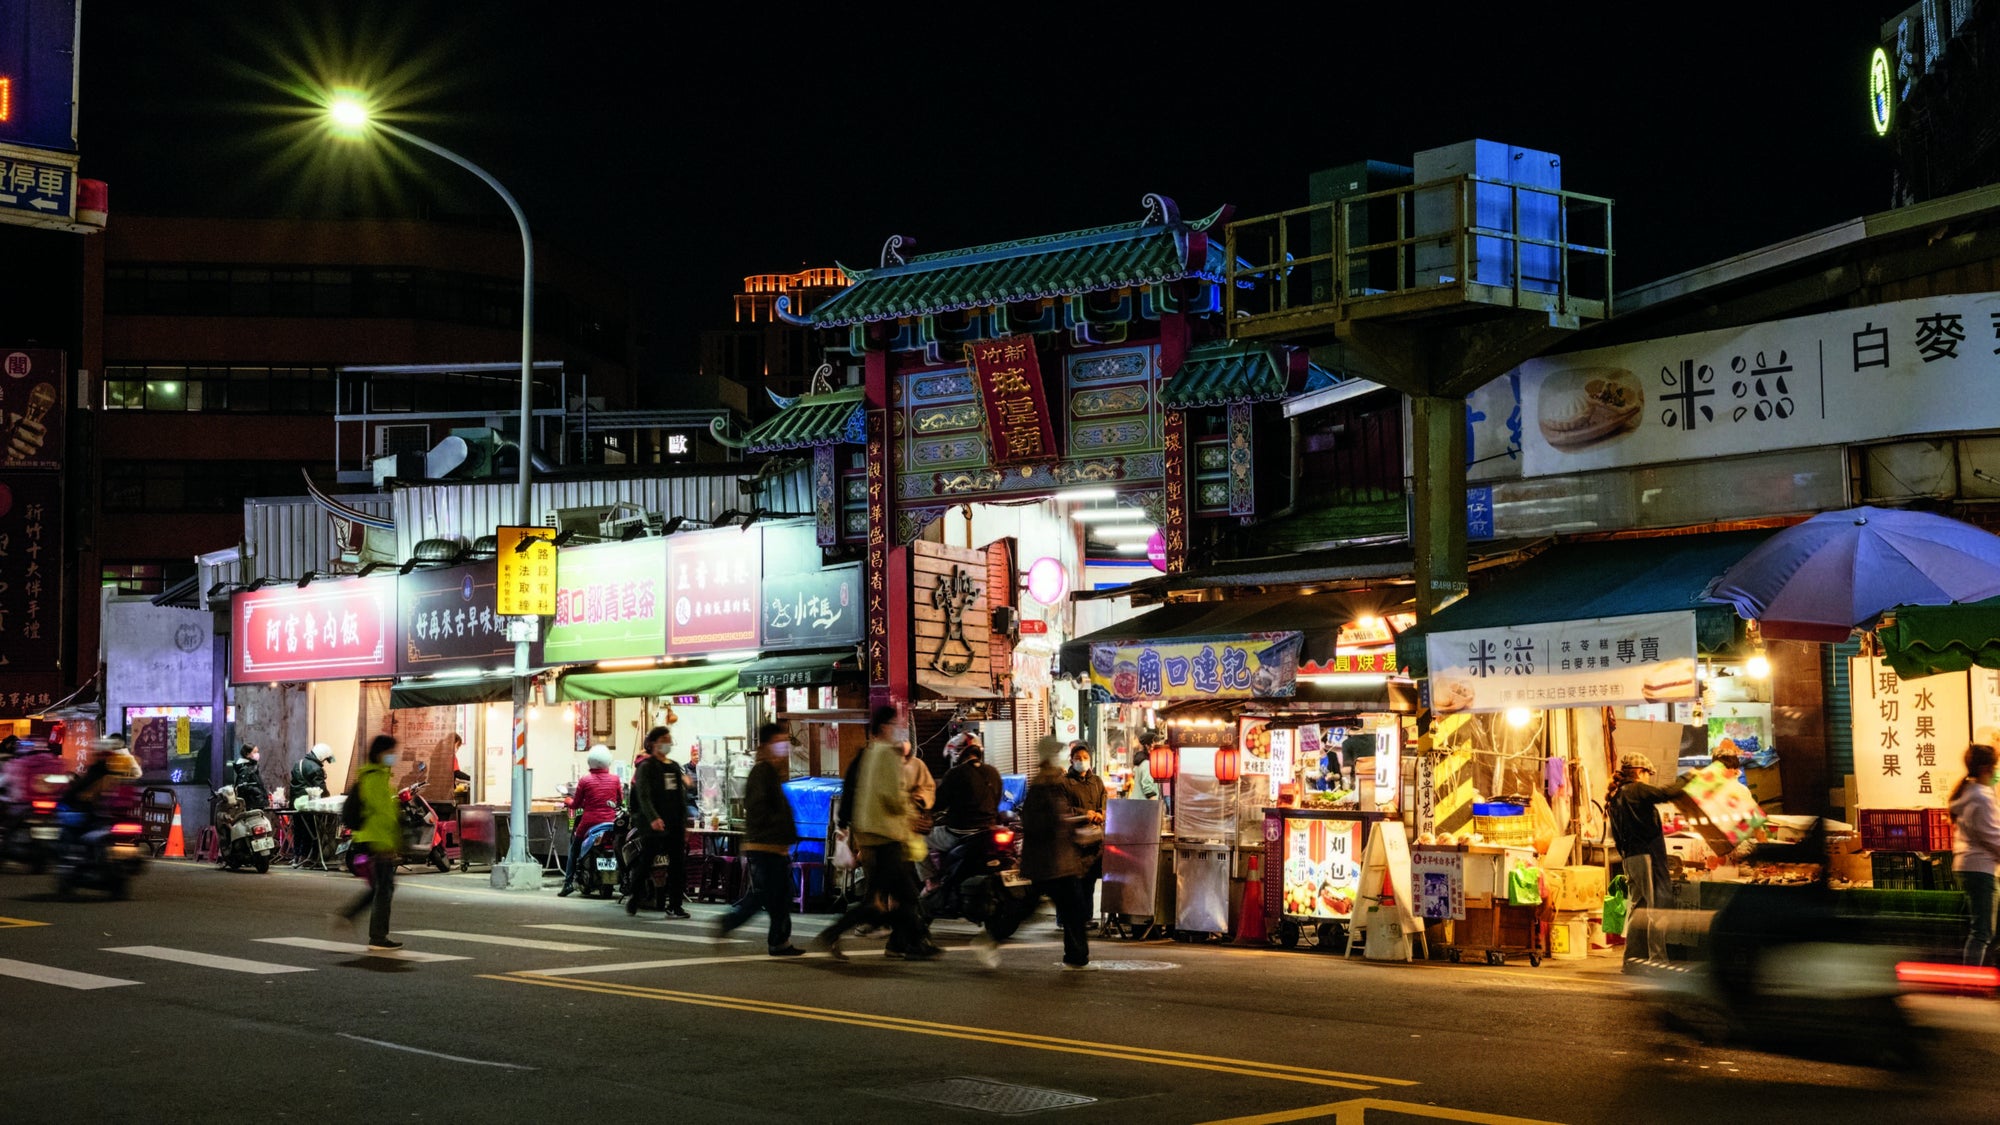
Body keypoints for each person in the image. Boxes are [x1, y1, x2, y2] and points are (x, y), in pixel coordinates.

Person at [814, 705, 936, 961]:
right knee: (900, 895)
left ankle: (907, 942)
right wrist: (910, 813)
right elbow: (891, 798)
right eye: (896, 724)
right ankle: (913, 942)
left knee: (890, 896)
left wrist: (846, 824)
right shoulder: (887, 756)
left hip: (872, 834)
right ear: (884, 727)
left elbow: (852, 792)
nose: (900, 729)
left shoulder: (866, 754)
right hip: (887, 836)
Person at [974, 736, 1092, 971]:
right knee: (1045, 907)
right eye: (1057, 753)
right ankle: (991, 938)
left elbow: (1054, 819)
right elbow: (1041, 822)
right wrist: (1073, 826)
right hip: (1049, 861)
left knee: (1062, 908)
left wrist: (1071, 825)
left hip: (1055, 860)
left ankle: (1076, 957)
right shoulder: (1043, 785)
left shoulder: (1052, 782)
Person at [717, 723, 805, 956]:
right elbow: (757, 808)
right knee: (765, 895)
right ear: (766, 744)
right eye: (780, 740)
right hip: (764, 846)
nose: (784, 746)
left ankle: (779, 941)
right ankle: (730, 923)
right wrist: (777, 830)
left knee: (779, 896)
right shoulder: (762, 772)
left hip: (772, 846)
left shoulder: (770, 771)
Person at [1606, 752, 1689, 958]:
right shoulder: (1636, 789)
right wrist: (1688, 777)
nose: (1648, 778)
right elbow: (1665, 793)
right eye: (1648, 774)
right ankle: (1657, 959)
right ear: (1640, 772)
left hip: (1630, 859)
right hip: (1646, 857)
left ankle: (1632, 958)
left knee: (1638, 908)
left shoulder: (1616, 797)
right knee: (1657, 909)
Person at [336, 736, 403, 952]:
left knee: (380, 886)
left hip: (372, 839)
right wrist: (387, 844)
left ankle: (349, 915)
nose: (394, 756)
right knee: (384, 887)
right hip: (376, 840)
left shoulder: (376, 777)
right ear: (381, 753)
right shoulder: (375, 779)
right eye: (391, 751)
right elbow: (383, 814)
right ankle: (377, 936)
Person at [626, 726, 692, 918]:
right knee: (646, 862)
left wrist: (684, 822)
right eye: (663, 739)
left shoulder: (673, 766)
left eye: (669, 739)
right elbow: (643, 795)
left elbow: (681, 796)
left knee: (678, 866)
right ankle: (635, 896)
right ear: (653, 743)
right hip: (653, 825)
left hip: (674, 824)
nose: (667, 743)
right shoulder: (646, 767)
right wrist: (653, 817)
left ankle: (675, 906)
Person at [1950, 743, 2000, 966]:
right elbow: (1991, 835)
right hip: (1980, 868)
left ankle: (1975, 982)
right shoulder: (1981, 796)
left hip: (1970, 866)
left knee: (1982, 930)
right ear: (1984, 768)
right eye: (1994, 767)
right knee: (1981, 933)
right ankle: (1970, 986)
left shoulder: (1970, 792)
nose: (1996, 772)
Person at [559, 745, 623, 897]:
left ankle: (568, 883)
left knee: (574, 849)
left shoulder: (585, 780)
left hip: (588, 823)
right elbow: (620, 801)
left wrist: (568, 800)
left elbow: (575, 804)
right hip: (610, 823)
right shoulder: (615, 780)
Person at [1064, 743, 1108, 923]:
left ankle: (1086, 917)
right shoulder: (1065, 782)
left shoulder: (1096, 781)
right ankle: (1068, 919)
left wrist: (1101, 813)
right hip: (1073, 842)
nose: (1082, 762)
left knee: (1089, 881)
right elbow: (1064, 808)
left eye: (1085, 758)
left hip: (1094, 841)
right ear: (1071, 760)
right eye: (1078, 758)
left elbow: (1105, 801)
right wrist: (1084, 814)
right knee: (1072, 882)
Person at [288, 744, 335, 866]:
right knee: (311, 831)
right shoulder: (316, 768)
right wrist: (328, 799)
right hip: (310, 805)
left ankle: (297, 856)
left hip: (296, 804)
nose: (324, 762)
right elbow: (321, 789)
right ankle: (308, 857)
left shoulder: (298, 763)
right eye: (325, 759)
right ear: (321, 756)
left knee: (298, 830)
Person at [231, 745, 270, 810]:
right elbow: (242, 787)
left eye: (257, 752)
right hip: (251, 806)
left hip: (256, 805)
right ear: (247, 754)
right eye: (254, 752)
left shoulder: (252, 767)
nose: (257, 754)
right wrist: (258, 793)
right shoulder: (246, 769)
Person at [1130, 733, 1162, 801]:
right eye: (1156, 746)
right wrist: (1155, 804)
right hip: (1144, 805)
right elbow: (1147, 788)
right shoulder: (1146, 764)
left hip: (1138, 803)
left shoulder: (1140, 762)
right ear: (1147, 746)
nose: (1159, 749)